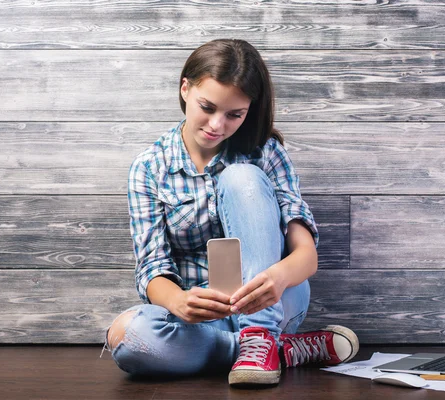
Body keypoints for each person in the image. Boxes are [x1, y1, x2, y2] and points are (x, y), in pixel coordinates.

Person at [102, 38, 359, 386]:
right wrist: (178, 301)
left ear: (249, 111)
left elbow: (306, 256)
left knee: (241, 175)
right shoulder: (148, 168)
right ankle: (279, 351)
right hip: (202, 318)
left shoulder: (266, 153)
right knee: (127, 336)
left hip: (275, 301)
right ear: (184, 89)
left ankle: (261, 335)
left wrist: (280, 276)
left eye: (234, 115)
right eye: (207, 107)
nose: (216, 125)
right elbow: (151, 267)